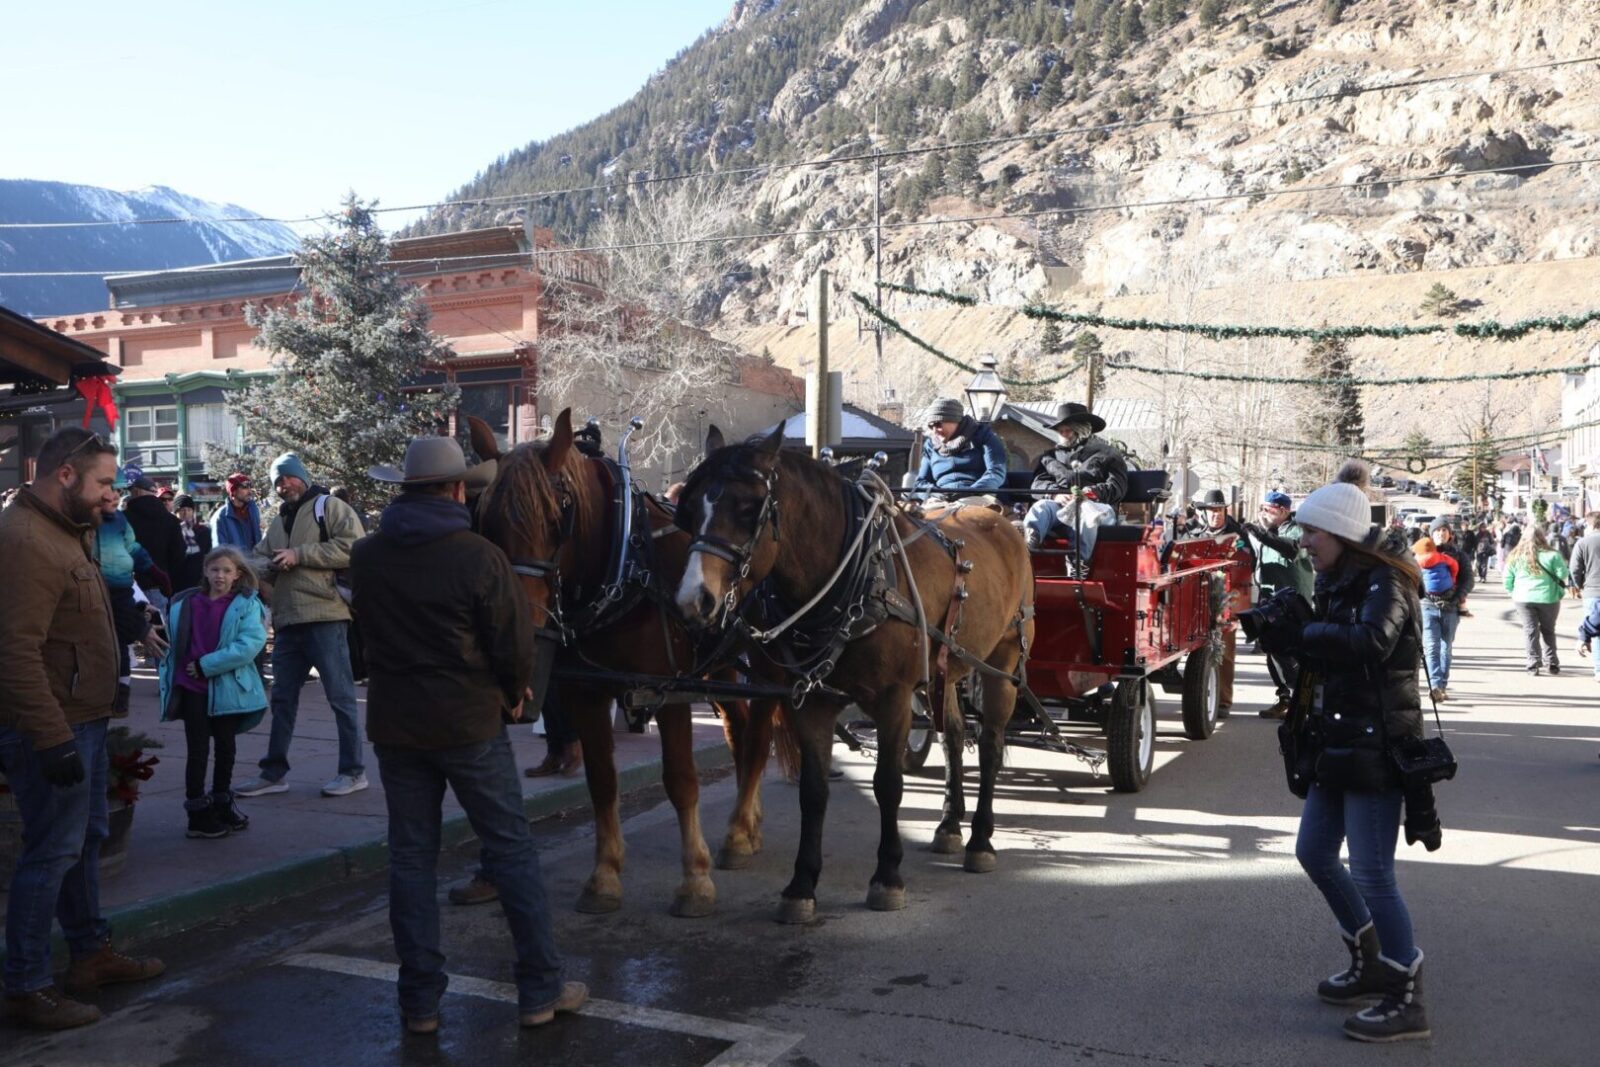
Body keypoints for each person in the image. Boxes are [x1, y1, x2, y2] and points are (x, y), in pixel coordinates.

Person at [351, 435, 585, 1034]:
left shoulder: (368, 555)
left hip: (397, 727)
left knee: (410, 860)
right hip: (469, 724)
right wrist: (515, 692)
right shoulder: (479, 556)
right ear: (459, 489)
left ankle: (420, 1003)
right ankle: (540, 989)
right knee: (510, 851)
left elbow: (364, 638)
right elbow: (513, 645)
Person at [1259, 460, 1433, 1043]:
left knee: (1374, 873)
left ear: (1340, 534)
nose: (1304, 542)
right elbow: (1330, 649)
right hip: (1340, 738)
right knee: (1313, 851)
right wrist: (1291, 631)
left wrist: (1301, 632)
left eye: (1313, 532)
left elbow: (1371, 642)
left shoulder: (1388, 581)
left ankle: (1406, 997)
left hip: (1377, 745)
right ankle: (1369, 960)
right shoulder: (1341, 578)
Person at [0, 428, 166, 1030]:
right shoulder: (23, 539)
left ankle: (90, 954)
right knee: (52, 852)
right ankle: (25, 985)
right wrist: (50, 737)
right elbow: (14, 652)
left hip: (88, 719)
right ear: (64, 474)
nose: (111, 496)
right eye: (102, 483)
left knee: (84, 838)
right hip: (56, 726)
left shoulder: (65, 530)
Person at [234, 453, 367, 799]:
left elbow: (354, 547)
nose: (283, 486)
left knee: (340, 697)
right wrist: (245, 568)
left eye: (288, 478)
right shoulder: (278, 520)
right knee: (282, 700)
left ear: (302, 477)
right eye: (277, 481)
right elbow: (260, 556)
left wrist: (299, 555)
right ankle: (273, 772)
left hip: (325, 616)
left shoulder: (329, 506)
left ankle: (353, 771)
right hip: (288, 620)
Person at [158, 546, 269, 840]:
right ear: (206, 571)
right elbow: (173, 640)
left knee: (225, 747)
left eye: (227, 571)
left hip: (226, 686)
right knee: (198, 751)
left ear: (238, 575)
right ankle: (197, 811)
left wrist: (207, 665)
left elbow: (249, 644)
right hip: (192, 685)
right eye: (215, 569)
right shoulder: (186, 603)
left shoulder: (246, 604)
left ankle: (221, 801)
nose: (220, 576)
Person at [94, 480, 172, 718]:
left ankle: (121, 693)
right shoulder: (86, 519)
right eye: (112, 490)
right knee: (111, 640)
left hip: (122, 585)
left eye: (119, 491)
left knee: (121, 643)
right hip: (96, 588)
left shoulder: (119, 519)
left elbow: (133, 547)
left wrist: (154, 571)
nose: (116, 496)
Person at [1022, 401, 1128, 554]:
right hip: (1061, 506)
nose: (1064, 434)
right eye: (1061, 431)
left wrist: (1091, 493)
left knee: (1086, 515)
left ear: (1082, 430)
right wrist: (1055, 494)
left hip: (1097, 506)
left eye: (1068, 430)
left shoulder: (1108, 453)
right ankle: (1026, 549)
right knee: (1041, 507)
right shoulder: (1049, 457)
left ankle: (1079, 564)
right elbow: (1037, 484)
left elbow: (1118, 486)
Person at [1244, 490, 1313, 719]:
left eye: (1268, 509)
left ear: (1283, 510)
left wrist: (1262, 534)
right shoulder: (1268, 532)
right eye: (1262, 509)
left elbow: (1292, 549)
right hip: (1268, 598)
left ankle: (1300, 700)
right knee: (1271, 648)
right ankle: (1285, 698)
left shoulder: (1297, 530)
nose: (1263, 514)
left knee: (1288, 651)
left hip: (1291, 602)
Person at [1503, 524, 1569, 675]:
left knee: (1530, 630)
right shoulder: (1552, 555)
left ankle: (1533, 663)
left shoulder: (1515, 556)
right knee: (1548, 630)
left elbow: (1507, 579)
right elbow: (1562, 574)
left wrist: (1513, 592)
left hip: (1523, 598)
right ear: (1542, 537)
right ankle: (1552, 662)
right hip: (1548, 597)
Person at [913, 398, 1007, 500]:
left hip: (980, 497)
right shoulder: (930, 446)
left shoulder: (984, 436)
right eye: (931, 426)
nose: (935, 431)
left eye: (938, 424)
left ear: (955, 420)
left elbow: (996, 472)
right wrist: (935, 494)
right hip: (941, 500)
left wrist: (971, 493)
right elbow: (920, 482)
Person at [122, 476, 185, 613]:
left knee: (130, 632)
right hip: (158, 585)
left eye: (131, 491)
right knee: (160, 630)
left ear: (137, 492)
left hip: (126, 587)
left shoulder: (123, 519)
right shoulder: (171, 520)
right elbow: (179, 554)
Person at [1567, 512, 1600, 683]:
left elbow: (1574, 568)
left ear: (1591, 525)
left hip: (1592, 591)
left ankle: (1599, 669)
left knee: (1595, 631)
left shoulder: (1583, 543)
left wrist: (1579, 585)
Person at [171, 493, 214, 593]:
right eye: (182, 510)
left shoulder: (203, 531)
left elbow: (208, 554)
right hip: (176, 581)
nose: (186, 513)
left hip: (198, 580)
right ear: (176, 512)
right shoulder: (171, 531)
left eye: (189, 510)